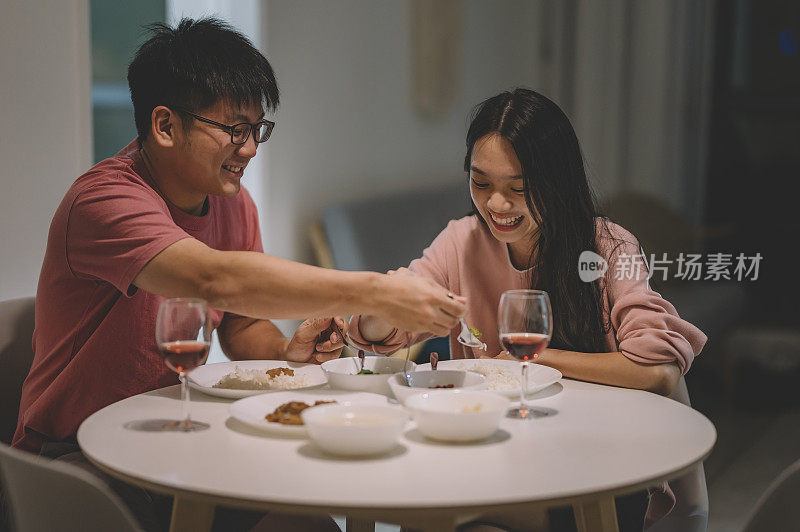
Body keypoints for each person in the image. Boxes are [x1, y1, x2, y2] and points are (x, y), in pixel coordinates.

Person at [11, 17, 464, 532]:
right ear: (164, 126)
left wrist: (284, 354)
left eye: (256, 129)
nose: (249, 149)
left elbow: (242, 324)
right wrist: (378, 290)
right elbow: (213, 280)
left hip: (177, 432)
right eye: (234, 129)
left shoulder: (234, 204)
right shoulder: (103, 202)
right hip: (77, 453)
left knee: (309, 523)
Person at [350, 88, 707, 531]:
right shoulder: (461, 243)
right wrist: (383, 302)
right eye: (481, 183)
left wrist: (535, 359)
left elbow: (659, 372)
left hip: (597, 466)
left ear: (557, 183)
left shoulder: (607, 247)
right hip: (494, 457)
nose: (496, 205)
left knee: (434, 509)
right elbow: (380, 333)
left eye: (518, 189)